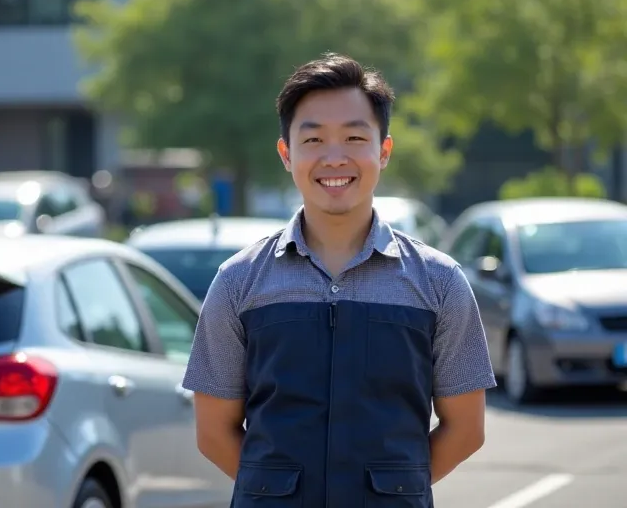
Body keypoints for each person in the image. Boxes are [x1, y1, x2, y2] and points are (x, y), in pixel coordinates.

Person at [181, 53, 496, 507]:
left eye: (354, 137)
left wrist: (393, 492)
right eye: (313, 139)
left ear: (383, 151)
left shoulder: (439, 282)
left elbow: (466, 429)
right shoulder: (238, 282)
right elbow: (213, 432)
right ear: (286, 154)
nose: (334, 158)